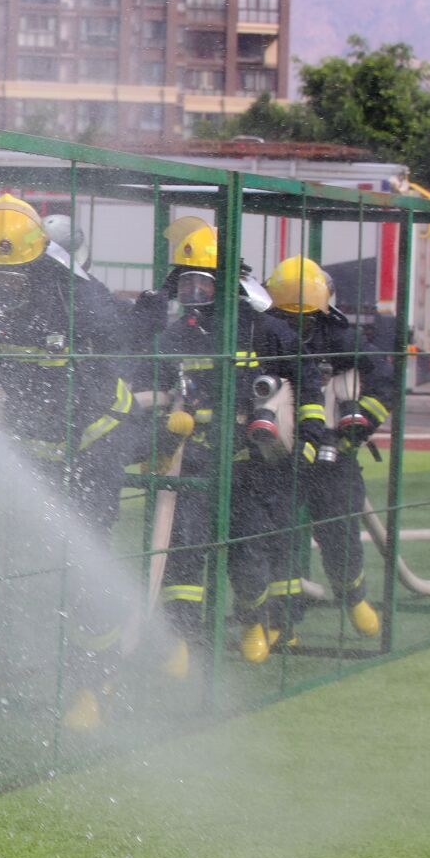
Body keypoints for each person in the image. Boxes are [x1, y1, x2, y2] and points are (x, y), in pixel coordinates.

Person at [0, 194, 144, 730]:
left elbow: (120, 349)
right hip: (38, 448)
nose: (0, 289)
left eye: (12, 279)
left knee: (84, 562)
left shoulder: (79, 301)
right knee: (43, 565)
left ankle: (96, 681)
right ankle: (68, 658)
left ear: (37, 265)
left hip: (95, 443)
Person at [147, 225, 327, 669]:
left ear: (227, 285)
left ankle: (252, 621)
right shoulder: (174, 337)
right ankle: (181, 639)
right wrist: (164, 429)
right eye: (186, 283)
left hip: (251, 464)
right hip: (193, 461)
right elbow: (151, 388)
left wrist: (308, 441)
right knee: (184, 551)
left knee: (249, 552)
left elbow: (307, 385)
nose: (193, 293)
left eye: (202, 283)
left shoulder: (266, 332)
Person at [265, 255, 390, 641]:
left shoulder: (340, 340)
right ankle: (280, 623)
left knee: (339, 531)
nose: (293, 327)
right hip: (281, 458)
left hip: (333, 456)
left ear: (319, 313)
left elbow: (383, 379)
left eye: (303, 319)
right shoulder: (264, 336)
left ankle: (354, 598)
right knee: (276, 536)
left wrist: (359, 426)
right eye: (286, 318)